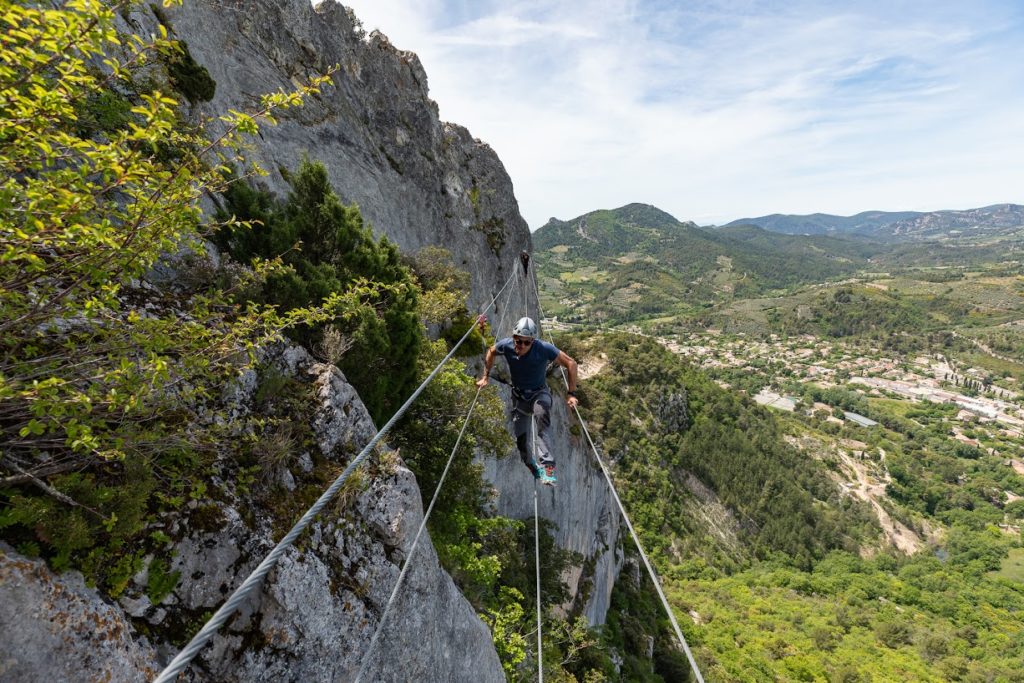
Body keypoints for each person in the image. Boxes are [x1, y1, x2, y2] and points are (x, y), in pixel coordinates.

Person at [477, 317, 579, 486]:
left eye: (527, 342)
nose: (522, 346)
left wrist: (571, 393)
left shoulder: (543, 348)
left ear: (533, 341)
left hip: (539, 394)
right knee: (521, 441)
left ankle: (548, 467)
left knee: (542, 415)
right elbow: (491, 351)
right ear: (513, 338)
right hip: (519, 398)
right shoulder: (506, 345)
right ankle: (531, 465)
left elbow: (571, 363)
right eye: (518, 341)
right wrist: (485, 376)